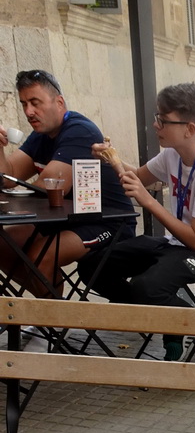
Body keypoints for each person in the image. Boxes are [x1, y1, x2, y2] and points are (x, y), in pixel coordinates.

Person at [81, 83, 195, 360]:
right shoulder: (172, 155)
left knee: (148, 286)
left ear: (189, 129)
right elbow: (139, 177)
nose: (156, 125)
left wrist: (149, 202)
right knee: (93, 265)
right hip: (177, 244)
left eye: (162, 120)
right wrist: (112, 158)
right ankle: (169, 321)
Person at [0, 69, 134, 295]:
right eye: (24, 104)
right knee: (2, 244)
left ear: (59, 102)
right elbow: (8, 177)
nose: (29, 112)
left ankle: (52, 320)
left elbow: (49, 189)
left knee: (40, 256)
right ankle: (46, 305)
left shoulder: (79, 131)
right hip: (68, 218)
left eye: (35, 102)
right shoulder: (41, 134)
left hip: (108, 222)